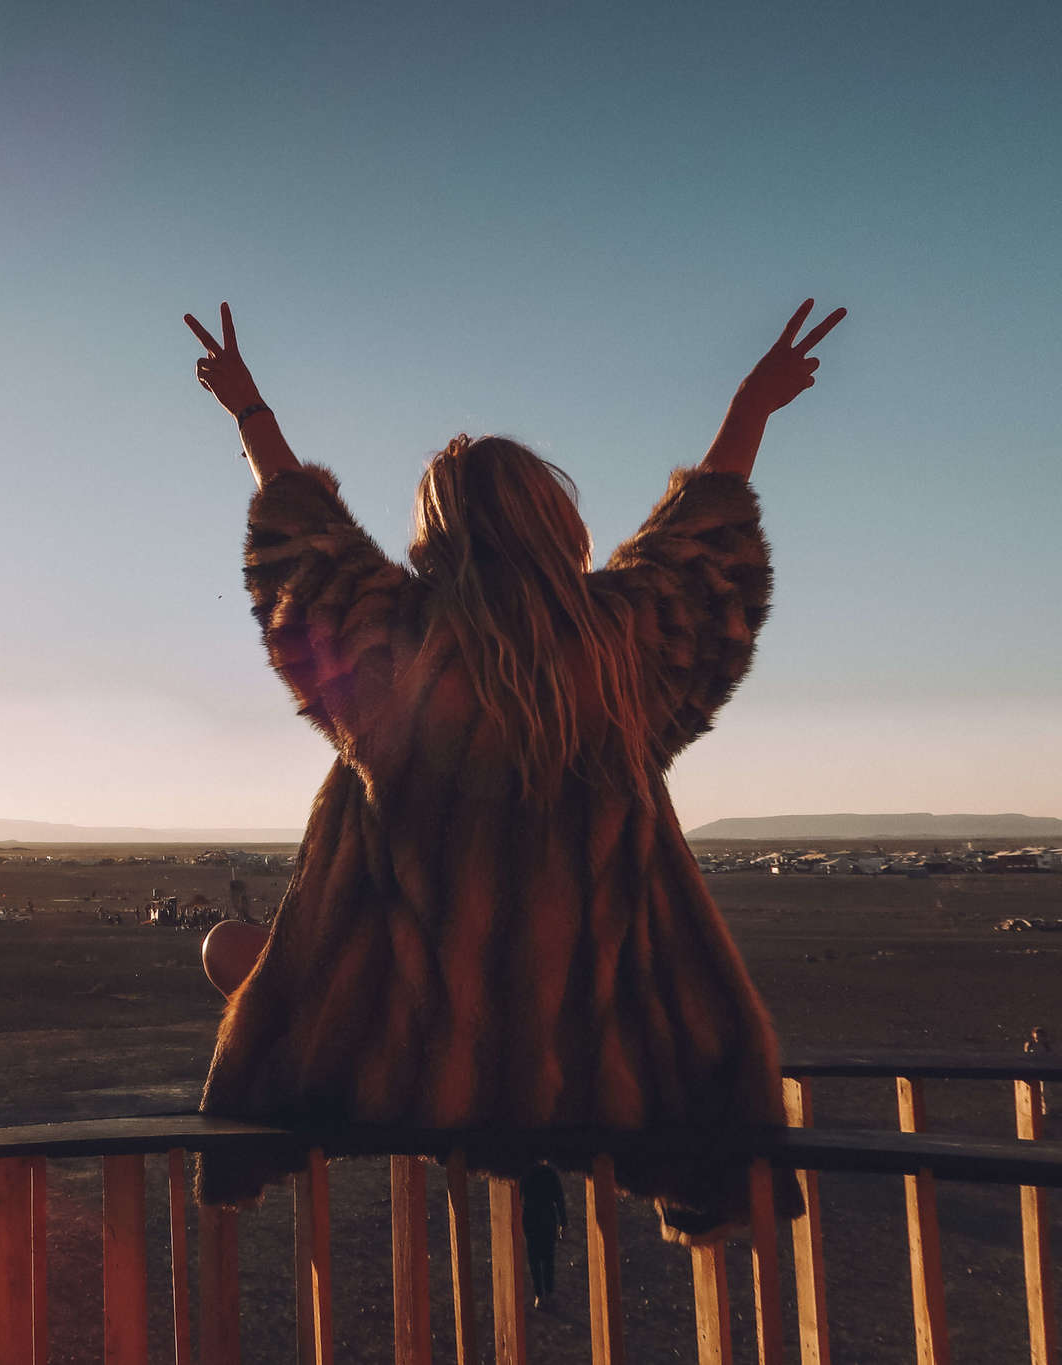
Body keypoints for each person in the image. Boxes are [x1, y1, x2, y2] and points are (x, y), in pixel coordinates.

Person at [186, 298, 845, 1241]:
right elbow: (701, 552)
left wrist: (247, 408)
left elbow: (304, 546)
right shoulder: (623, 641)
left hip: (416, 1068)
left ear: (438, 533)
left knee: (232, 953)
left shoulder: (393, 640)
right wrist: (752, 404)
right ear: (555, 518)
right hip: (599, 1067)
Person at [521, 1162, 567, 1310]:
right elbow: (559, 1199)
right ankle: (548, 1293)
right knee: (548, 1259)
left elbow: (518, 1195)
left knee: (534, 1259)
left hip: (530, 1219)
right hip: (547, 1219)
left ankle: (539, 1295)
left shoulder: (526, 1172)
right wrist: (563, 1223)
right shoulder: (550, 1173)